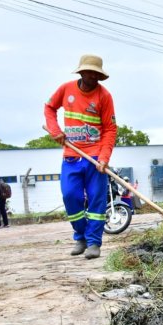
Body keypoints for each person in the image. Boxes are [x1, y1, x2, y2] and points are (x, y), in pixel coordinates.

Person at [45, 54, 118, 259]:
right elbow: (49, 108)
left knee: (96, 200)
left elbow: (110, 129)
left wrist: (104, 157)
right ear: (81, 71)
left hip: (95, 157)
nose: (93, 76)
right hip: (71, 155)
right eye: (89, 72)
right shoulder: (66, 89)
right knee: (70, 196)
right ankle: (81, 236)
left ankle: (94, 242)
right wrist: (55, 130)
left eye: (96, 73)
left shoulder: (104, 96)